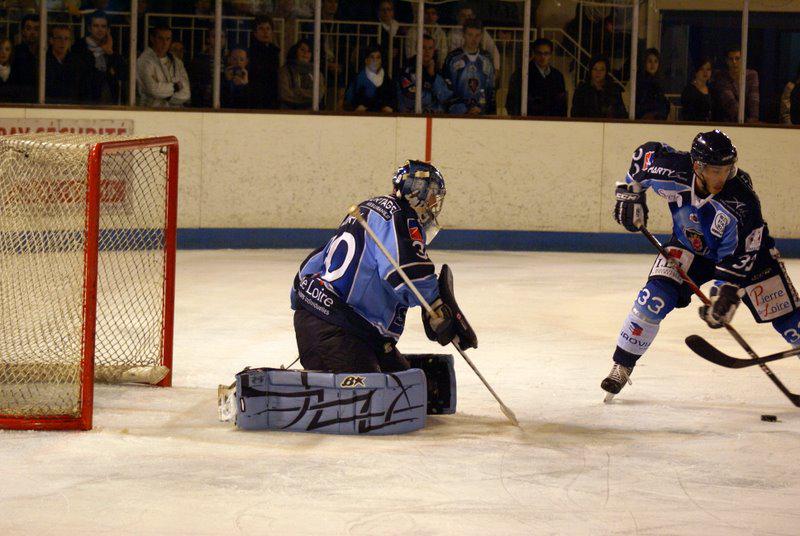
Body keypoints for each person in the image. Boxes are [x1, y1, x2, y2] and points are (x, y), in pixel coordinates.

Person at [604, 130, 800, 399]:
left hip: (751, 258)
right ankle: (622, 365)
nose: (722, 177)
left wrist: (724, 295)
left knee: (789, 320)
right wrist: (630, 193)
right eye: (715, 171)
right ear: (698, 166)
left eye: (727, 169)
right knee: (651, 300)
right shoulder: (673, 171)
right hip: (689, 248)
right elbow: (644, 156)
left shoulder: (742, 202)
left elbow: (740, 255)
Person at [290, 160, 476, 373]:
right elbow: (405, 272)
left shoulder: (365, 211)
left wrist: (307, 307)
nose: (434, 203)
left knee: (408, 389)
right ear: (418, 192)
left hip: (332, 326)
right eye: (432, 194)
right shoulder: (401, 216)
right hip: (338, 331)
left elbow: (313, 264)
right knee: (384, 399)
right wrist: (435, 304)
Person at [442, 18, 495, 115]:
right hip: (457, 113)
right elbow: (446, 89)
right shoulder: (452, 58)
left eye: (477, 35)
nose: (474, 39)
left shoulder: (487, 58)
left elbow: (490, 89)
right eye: (470, 35)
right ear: (463, 34)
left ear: (482, 35)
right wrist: (463, 108)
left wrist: (484, 109)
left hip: (481, 113)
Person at [72, 10, 124, 104]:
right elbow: (81, 72)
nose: (100, 30)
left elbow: (122, 73)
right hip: (86, 98)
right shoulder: (79, 45)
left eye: (103, 26)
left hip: (109, 99)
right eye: (96, 26)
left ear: (108, 30)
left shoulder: (112, 45)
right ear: (89, 28)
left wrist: (110, 52)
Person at [506, 37, 567, 117]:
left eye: (546, 53)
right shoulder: (521, 75)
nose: (543, 57)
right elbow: (512, 103)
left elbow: (562, 105)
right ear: (534, 53)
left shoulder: (558, 76)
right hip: (529, 122)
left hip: (552, 123)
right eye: (539, 53)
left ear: (551, 54)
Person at [136, 25, 190, 107]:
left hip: (174, 113)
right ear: (152, 39)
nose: (164, 43)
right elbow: (152, 89)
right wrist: (176, 87)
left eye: (168, 39)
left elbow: (186, 93)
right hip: (150, 112)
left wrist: (163, 93)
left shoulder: (177, 62)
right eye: (160, 38)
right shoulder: (144, 61)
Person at [397, 34, 451, 114]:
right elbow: (410, 99)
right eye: (423, 48)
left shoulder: (439, 70)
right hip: (410, 116)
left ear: (434, 50)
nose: (427, 51)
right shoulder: (407, 69)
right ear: (417, 48)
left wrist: (433, 76)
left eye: (430, 48)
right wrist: (433, 97)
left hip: (435, 116)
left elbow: (445, 97)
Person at [710, 45, 759, 123]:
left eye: (737, 58)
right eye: (731, 59)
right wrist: (744, 122)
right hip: (727, 121)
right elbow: (729, 102)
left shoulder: (751, 75)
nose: (734, 62)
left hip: (748, 120)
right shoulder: (722, 77)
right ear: (726, 61)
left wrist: (754, 119)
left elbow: (754, 99)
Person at [448, 5, 500, 73]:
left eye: (469, 16)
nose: (467, 18)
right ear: (458, 17)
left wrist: (496, 68)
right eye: (463, 16)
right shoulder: (453, 33)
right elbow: (454, 56)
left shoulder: (481, 30)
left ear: (473, 16)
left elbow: (492, 48)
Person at [345, 46, 396, 112]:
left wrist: (389, 107)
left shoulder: (387, 80)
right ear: (366, 60)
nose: (375, 60)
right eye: (372, 57)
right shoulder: (357, 79)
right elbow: (349, 100)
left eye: (378, 58)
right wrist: (356, 108)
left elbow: (393, 99)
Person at [279, 39, 324, 110]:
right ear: (295, 51)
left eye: (309, 51)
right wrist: (308, 97)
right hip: (289, 111)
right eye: (302, 50)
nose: (305, 53)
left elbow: (319, 94)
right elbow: (284, 94)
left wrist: (298, 91)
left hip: (311, 112)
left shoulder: (316, 73)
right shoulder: (285, 71)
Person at [248, 14, 280, 109]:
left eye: (268, 29)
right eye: (261, 29)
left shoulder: (275, 51)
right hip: (256, 98)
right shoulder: (251, 52)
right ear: (255, 33)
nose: (265, 32)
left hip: (271, 97)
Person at [404, 5, 448, 70]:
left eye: (433, 13)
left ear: (437, 16)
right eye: (427, 13)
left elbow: (443, 54)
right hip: (415, 66)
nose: (430, 16)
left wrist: (438, 66)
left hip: (435, 67)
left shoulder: (441, 33)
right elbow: (410, 53)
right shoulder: (413, 31)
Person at [46, 25, 81, 104]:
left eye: (66, 39)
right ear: (51, 40)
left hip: (71, 106)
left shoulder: (77, 62)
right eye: (59, 38)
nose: (63, 42)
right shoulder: (43, 62)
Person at [634, 48, 670, 120]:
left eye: (656, 61)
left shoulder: (658, 81)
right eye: (650, 61)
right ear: (644, 63)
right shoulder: (641, 81)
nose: (653, 65)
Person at [12, 14, 39, 100]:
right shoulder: (15, 53)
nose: (32, 32)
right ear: (23, 31)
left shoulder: (47, 54)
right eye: (28, 28)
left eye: (36, 29)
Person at [680, 57, 713, 122]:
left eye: (708, 69)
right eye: (702, 69)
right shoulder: (689, 91)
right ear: (696, 71)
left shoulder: (712, 90)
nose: (705, 72)